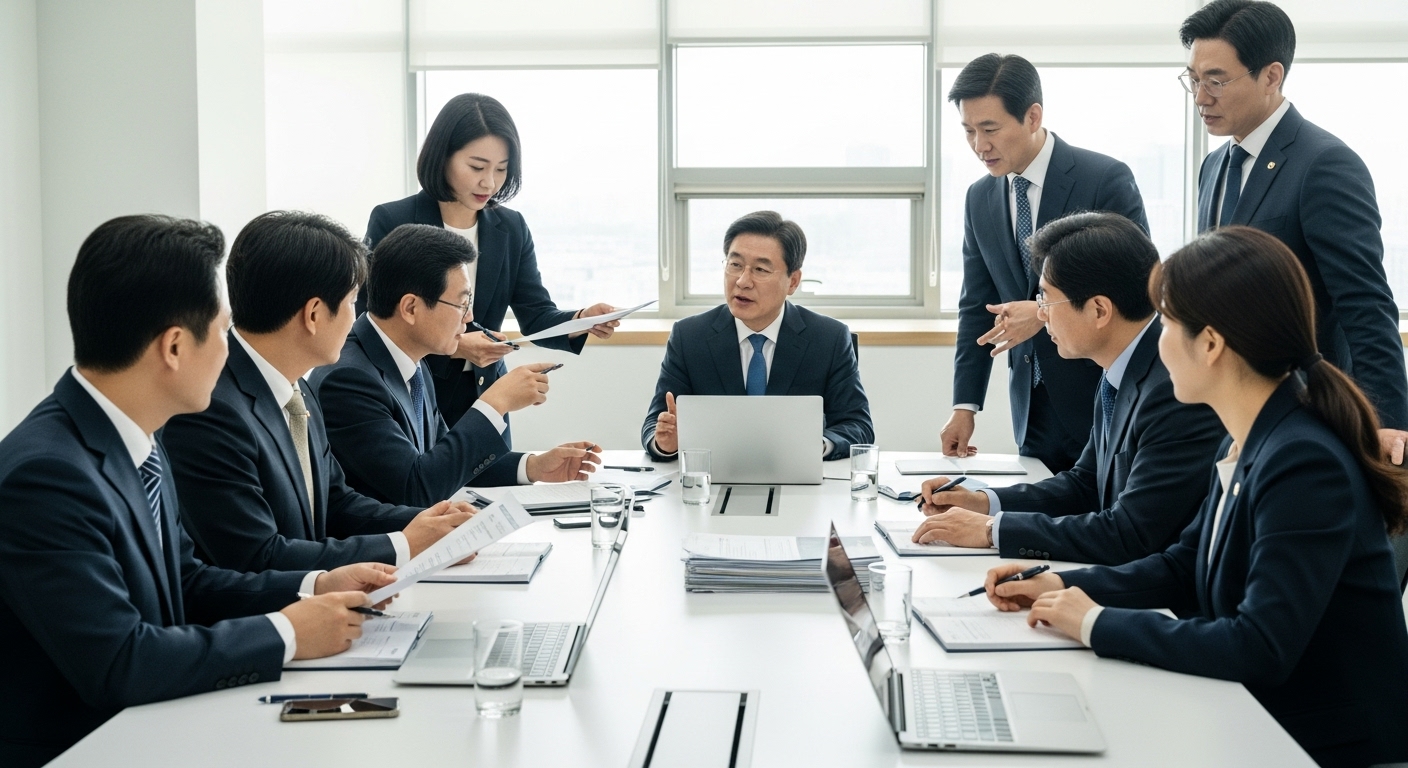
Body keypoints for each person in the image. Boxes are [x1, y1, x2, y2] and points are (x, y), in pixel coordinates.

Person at [985, 226, 1408, 768]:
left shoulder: (1305, 460)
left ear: (1210, 344)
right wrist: (1061, 584)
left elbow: (1259, 645)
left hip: (1321, 742)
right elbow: (1185, 563)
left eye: (1167, 324)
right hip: (1257, 715)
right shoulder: (1253, 433)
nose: (1157, 343)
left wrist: (1094, 622)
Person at [0, 215, 399, 766]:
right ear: (173, 347)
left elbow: (188, 580)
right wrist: (284, 633)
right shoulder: (46, 475)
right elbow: (121, 661)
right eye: (220, 330)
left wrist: (315, 583)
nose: (228, 349)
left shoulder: (134, 435)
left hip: (161, 721)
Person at [163, 212, 477, 573]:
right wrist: (404, 545)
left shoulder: (299, 389)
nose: (356, 316)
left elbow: (335, 502)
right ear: (314, 314)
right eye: (351, 302)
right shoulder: (212, 410)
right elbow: (257, 557)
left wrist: (430, 522)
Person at [913, 213, 1225, 564]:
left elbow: (1130, 533)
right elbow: (1085, 484)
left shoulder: (1174, 390)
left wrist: (991, 530)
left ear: (1099, 310)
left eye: (1046, 299)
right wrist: (983, 500)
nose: (1041, 315)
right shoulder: (1119, 366)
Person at [1182, 0, 1408, 462]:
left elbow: (1364, 302)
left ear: (1271, 76)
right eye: (1194, 79)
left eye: (1217, 81)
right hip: (1233, 413)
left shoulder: (1324, 164)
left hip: (1306, 415)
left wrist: (1387, 423)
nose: (1201, 97)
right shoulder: (1214, 166)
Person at [365, 93, 621, 432]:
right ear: (443, 157)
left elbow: (537, 316)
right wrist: (456, 347)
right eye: (477, 167)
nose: (490, 182)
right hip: (411, 396)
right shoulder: (393, 220)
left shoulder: (510, 228)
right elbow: (371, 322)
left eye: (501, 169)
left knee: (503, 484)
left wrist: (580, 320)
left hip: (486, 397)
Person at [943, 53, 1149, 474]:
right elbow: (976, 305)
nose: (980, 145)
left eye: (990, 129)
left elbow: (1137, 286)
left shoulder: (1103, 178)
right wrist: (965, 405)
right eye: (968, 131)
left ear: (1032, 116)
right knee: (1040, 521)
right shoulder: (979, 198)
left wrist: (1040, 313)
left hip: (1099, 390)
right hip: (1031, 405)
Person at [309, 223, 602, 505]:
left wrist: (534, 466)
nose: (470, 317)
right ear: (410, 308)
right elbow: (418, 487)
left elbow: (444, 461)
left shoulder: (413, 361)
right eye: (462, 303)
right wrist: (495, 402)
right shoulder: (348, 379)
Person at [642, 211, 873, 461]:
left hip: (799, 482)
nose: (742, 281)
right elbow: (657, 424)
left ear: (793, 281)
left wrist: (817, 446)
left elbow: (858, 425)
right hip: (712, 481)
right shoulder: (689, 337)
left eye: (761, 269)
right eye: (735, 265)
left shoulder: (828, 338)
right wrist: (666, 443)